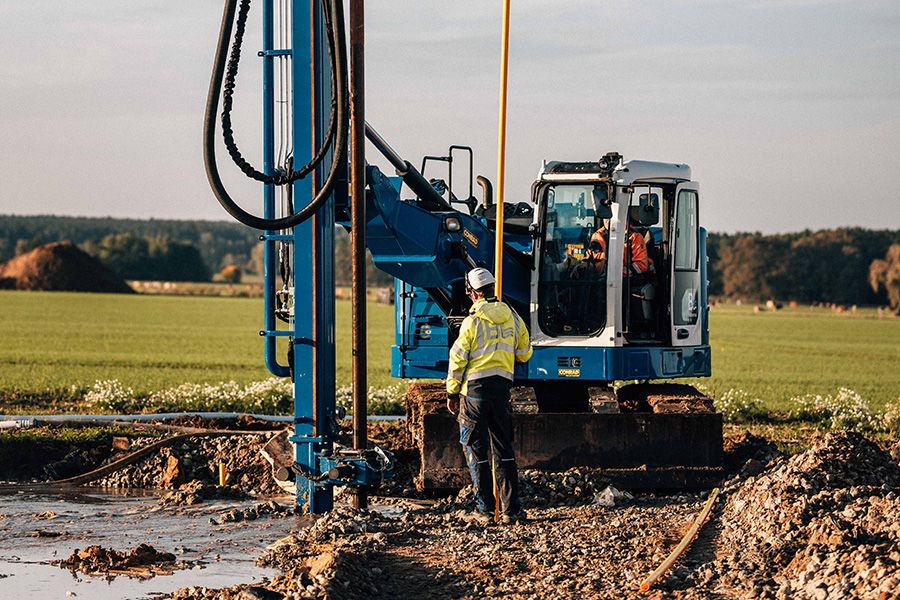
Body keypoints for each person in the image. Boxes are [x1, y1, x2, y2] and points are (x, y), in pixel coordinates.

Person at [446, 267, 533, 524]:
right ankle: (511, 511)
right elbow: (525, 352)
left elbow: (457, 359)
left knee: (476, 451)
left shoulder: (473, 321)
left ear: (473, 293)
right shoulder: (513, 317)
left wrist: (451, 392)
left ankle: (484, 510)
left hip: (474, 394)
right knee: (504, 450)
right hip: (501, 391)